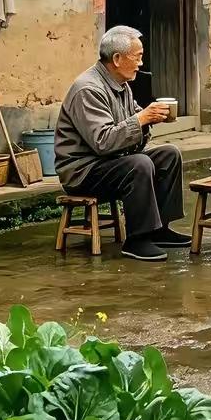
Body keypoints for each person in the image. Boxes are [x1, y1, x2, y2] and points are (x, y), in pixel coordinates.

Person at [55, 25, 189, 262]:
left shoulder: (121, 85)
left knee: (169, 154)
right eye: (137, 57)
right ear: (117, 59)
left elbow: (133, 125)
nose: (141, 63)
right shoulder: (87, 89)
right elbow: (103, 142)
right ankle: (137, 240)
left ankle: (159, 230)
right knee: (139, 164)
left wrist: (149, 120)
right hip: (82, 171)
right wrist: (142, 119)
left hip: (111, 162)